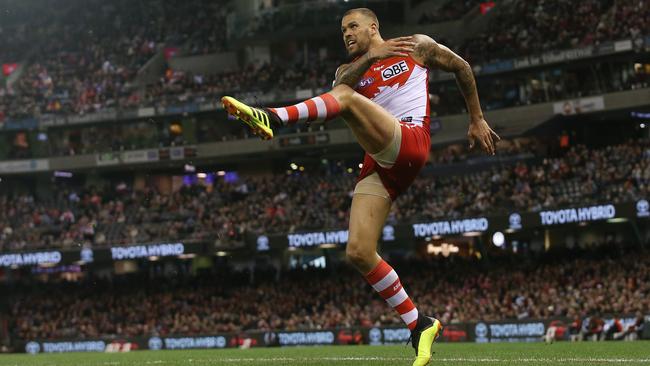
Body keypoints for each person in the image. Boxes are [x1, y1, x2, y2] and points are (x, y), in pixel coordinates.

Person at [221, 7, 498, 365]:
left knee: (348, 100)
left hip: (410, 140)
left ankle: (273, 116)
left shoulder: (417, 46)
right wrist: (372, 56)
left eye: (353, 27)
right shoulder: (348, 71)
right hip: (380, 159)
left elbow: (461, 66)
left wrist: (476, 118)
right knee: (358, 251)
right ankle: (420, 324)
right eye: (342, 30)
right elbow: (338, 90)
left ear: (373, 26)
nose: (347, 34)